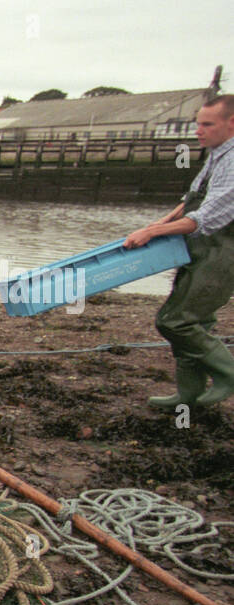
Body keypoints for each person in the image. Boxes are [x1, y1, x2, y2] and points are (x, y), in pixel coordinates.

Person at [125, 95, 234, 409]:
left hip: (223, 253)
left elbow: (206, 217)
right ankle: (189, 396)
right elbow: (192, 199)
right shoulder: (217, 154)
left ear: (231, 124)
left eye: (207, 124)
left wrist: (152, 232)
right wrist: (161, 221)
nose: (198, 130)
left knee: (176, 321)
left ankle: (228, 373)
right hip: (202, 250)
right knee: (199, 322)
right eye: (197, 123)